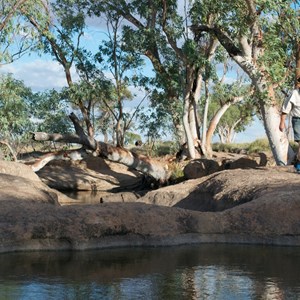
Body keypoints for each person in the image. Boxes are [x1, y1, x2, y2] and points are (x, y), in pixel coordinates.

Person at [279, 82, 300, 171]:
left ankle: (298, 163)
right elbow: (286, 108)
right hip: (298, 120)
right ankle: (299, 165)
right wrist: (282, 122)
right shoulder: (295, 93)